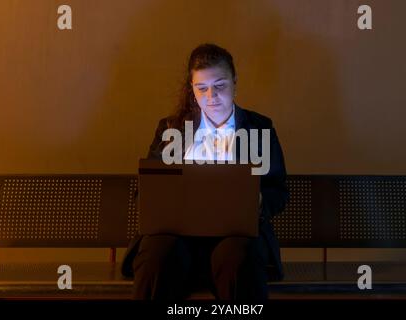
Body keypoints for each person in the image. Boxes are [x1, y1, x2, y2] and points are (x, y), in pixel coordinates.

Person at [121, 43, 288, 300]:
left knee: (237, 256)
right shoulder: (172, 129)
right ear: (192, 90)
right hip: (177, 236)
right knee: (157, 253)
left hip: (235, 237)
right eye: (201, 88)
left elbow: (277, 189)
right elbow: (146, 191)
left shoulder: (259, 129)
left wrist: (259, 201)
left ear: (234, 82)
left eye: (220, 85)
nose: (211, 96)